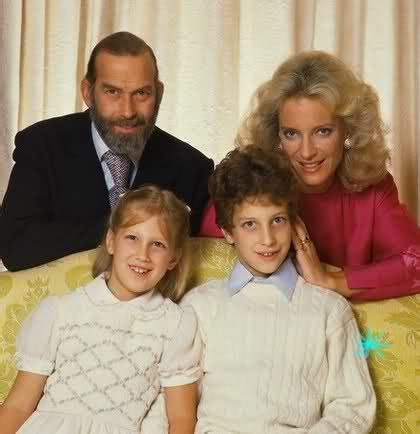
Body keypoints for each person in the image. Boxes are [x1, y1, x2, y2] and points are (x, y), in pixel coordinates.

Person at [184, 145, 376, 433]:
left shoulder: (329, 309)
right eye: (250, 224)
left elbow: (354, 406)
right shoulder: (200, 305)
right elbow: (174, 402)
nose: (268, 239)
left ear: (294, 221)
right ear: (227, 232)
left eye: (277, 220)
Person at [200, 50, 420, 301]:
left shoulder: (375, 189)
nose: (306, 152)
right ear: (276, 135)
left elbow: (416, 262)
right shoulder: (254, 184)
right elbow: (208, 231)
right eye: (291, 134)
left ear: (347, 129)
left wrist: (329, 280)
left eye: (323, 132)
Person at [0, 31, 214, 271]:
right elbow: (15, 247)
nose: (127, 111)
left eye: (141, 93)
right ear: (88, 93)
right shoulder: (42, 145)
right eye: (112, 92)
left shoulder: (191, 167)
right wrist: (123, 228)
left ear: (159, 93)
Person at [0, 185, 201, 434]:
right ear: (111, 241)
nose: (143, 254)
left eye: (158, 244)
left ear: (173, 258)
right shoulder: (62, 312)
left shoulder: (175, 324)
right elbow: (18, 405)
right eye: (132, 238)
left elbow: (181, 419)